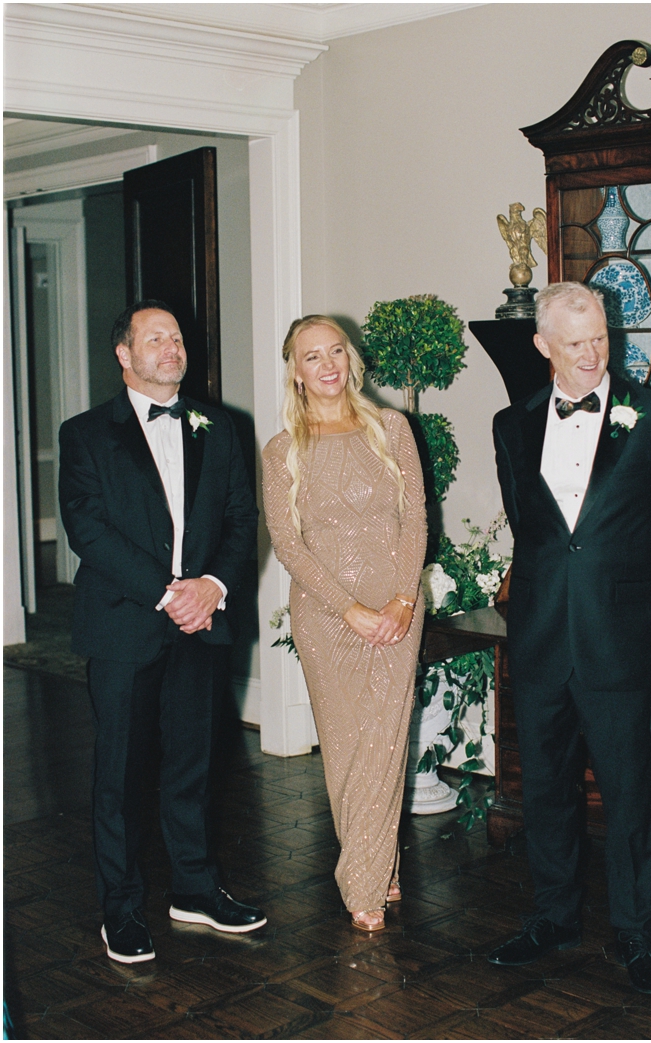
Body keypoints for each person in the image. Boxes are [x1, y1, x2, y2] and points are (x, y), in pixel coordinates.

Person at [487, 282, 651, 995]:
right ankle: (554, 915)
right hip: (541, 633)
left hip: (619, 635)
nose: (591, 353)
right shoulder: (510, 426)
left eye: (601, 338)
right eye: (574, 343)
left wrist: (644, 607)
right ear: (542, 346)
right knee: (545, 785)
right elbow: (531, 530)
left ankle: (638, 932)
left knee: (631, 787)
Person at [58, 300, 265, 964]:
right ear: (124, 354)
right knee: (119, 773)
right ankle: (120, 909)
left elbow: (240, 518)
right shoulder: (86, 434)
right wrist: (167, 591)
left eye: (176, 337)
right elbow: (88, 528)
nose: (172, 347)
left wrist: (214, 587)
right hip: (125, 624)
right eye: (156, 338)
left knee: (193, 765)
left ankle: (196, 889)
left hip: (202, 621)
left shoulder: (222, 427)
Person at [262, 316, 427, 933]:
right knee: (347, 747)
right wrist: (351, 610)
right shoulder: (283, 451)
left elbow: (416, 523)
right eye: (312, 356)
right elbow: (288, 545)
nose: (327, 364)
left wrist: (402, 603)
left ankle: (364, 881)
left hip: (397, 609)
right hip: (328, 616)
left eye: (336, 351)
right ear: (296, 372)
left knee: (385, 740)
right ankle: (375, 866)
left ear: (349, 359)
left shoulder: (392, 428)